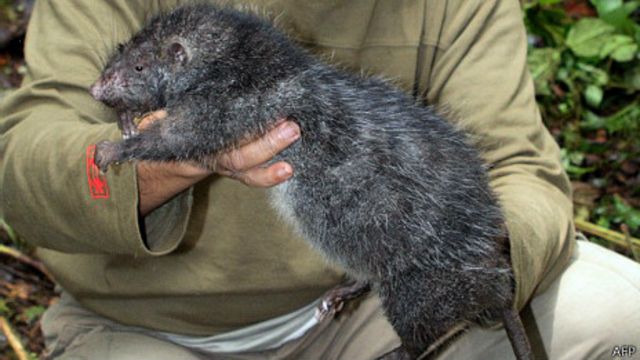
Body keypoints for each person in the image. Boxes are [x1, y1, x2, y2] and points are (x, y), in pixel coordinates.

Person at [0, 0, 638, 359]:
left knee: (618, 315)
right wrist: (180, 151)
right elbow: (20, 162)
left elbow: (520, 170)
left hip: (358, 306)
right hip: (148, 328)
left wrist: (461, 259)